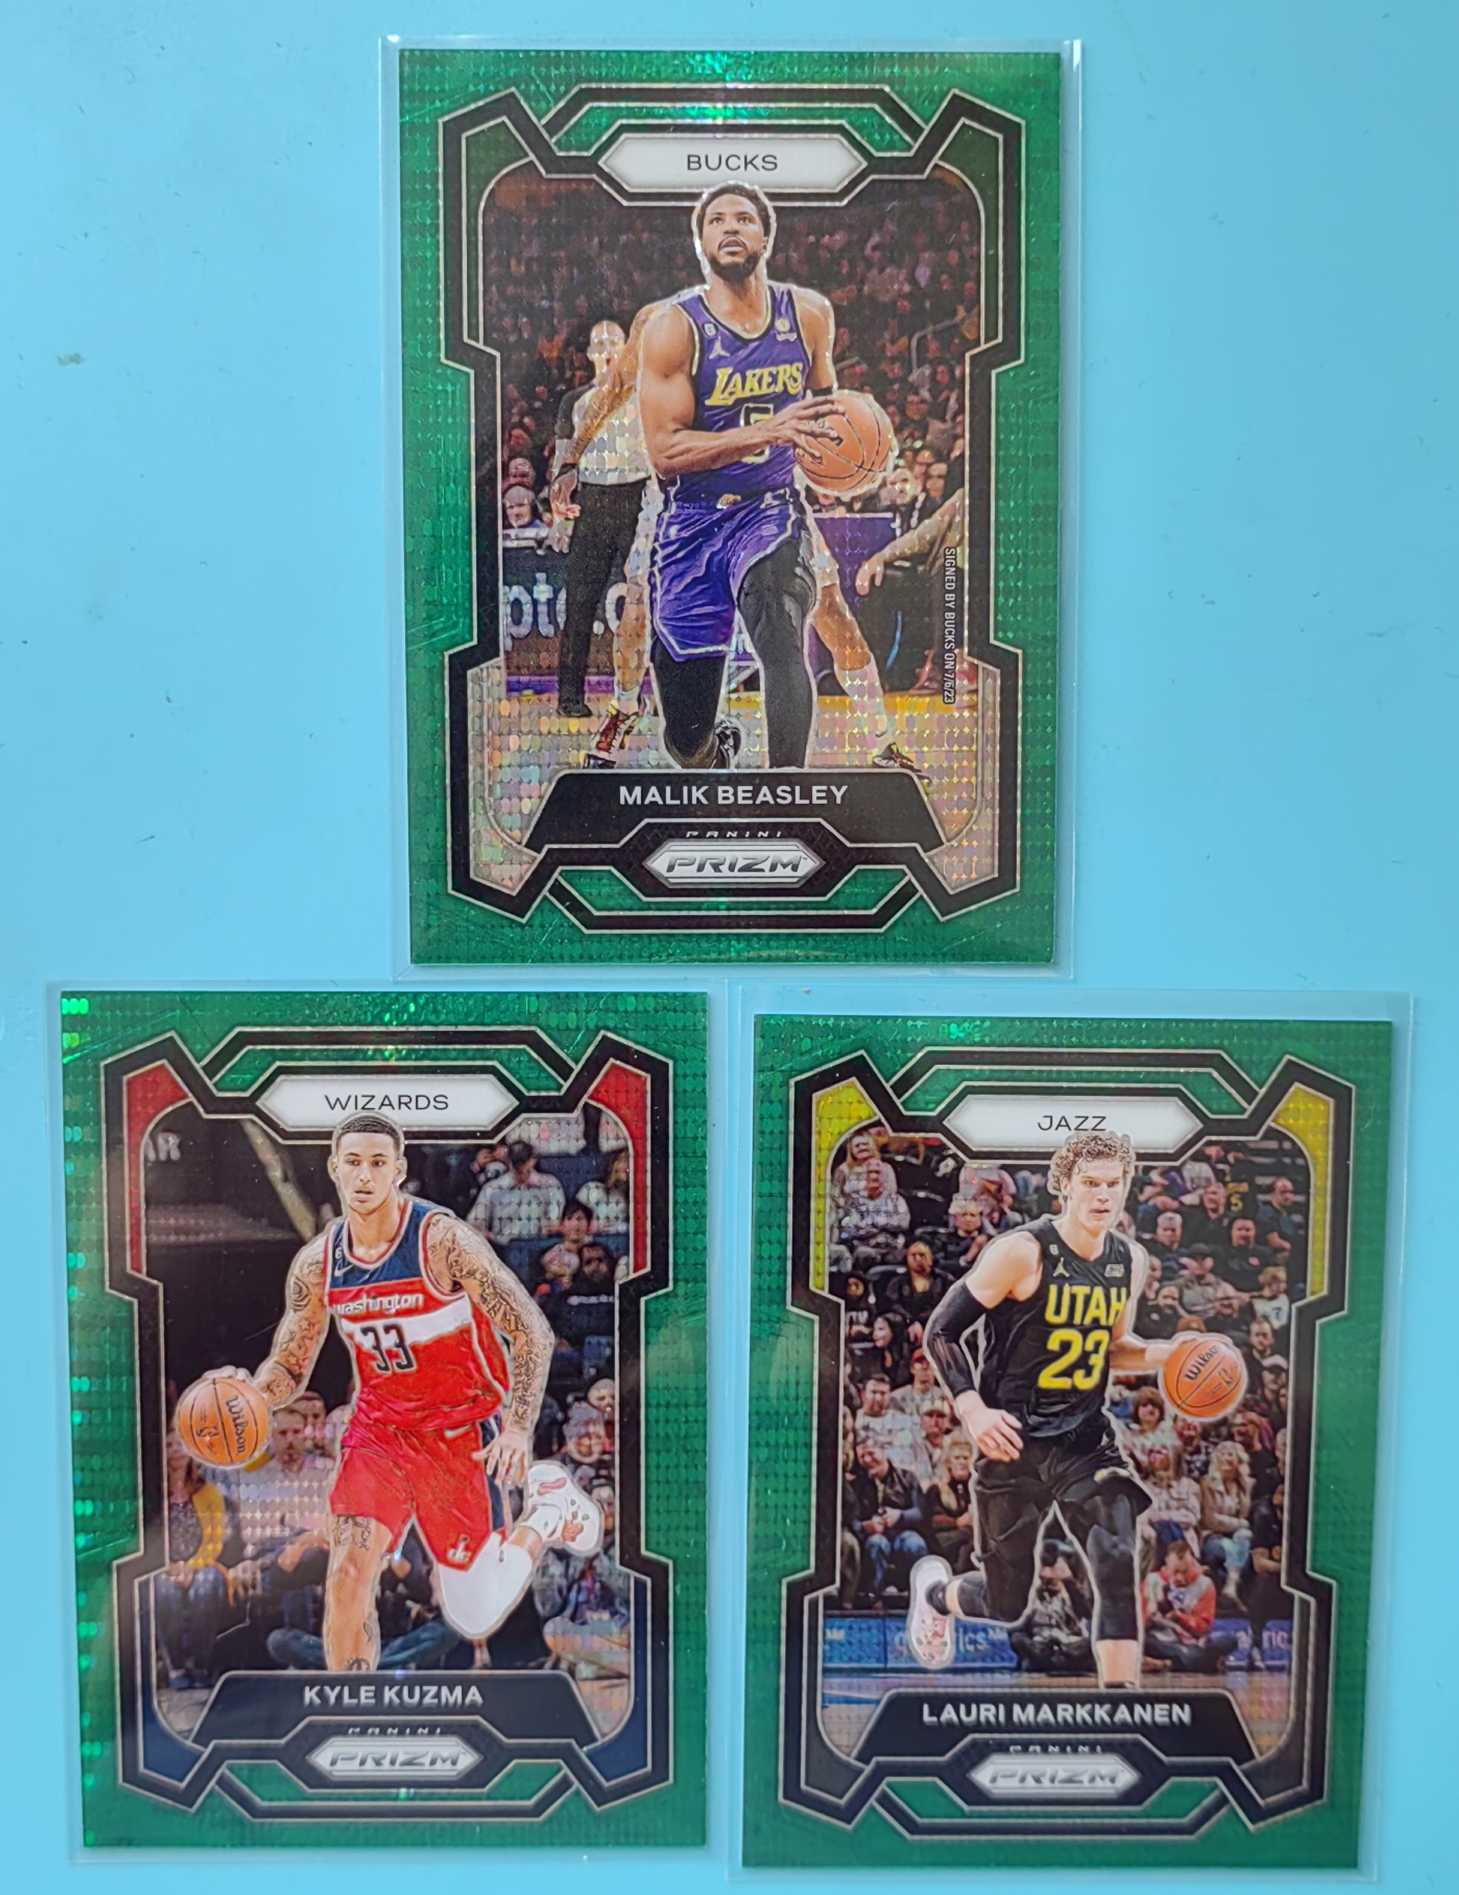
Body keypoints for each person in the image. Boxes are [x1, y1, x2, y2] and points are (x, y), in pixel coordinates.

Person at [205, 1113, 600, 1669]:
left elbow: (531, 1329)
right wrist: (250, 1393)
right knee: (348, 1569)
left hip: (458, 1429)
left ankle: (548, 1514)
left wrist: (516, 1427)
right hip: (381, 1431)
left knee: (475, 1612)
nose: (364, 1175)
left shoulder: (441, 1241)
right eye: (353, 1162)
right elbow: (290, 1368)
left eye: (377, 1163)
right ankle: (354, 1705)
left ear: (398, 1170)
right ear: (334, 1169)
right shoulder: (318, 1263)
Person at [906, 1130, 1176, 1687]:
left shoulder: (1130, 1260)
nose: (1103, 1195)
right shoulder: (1021, 1252)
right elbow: (941, 1332)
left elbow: (1112, 1347)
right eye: (1091, 1183)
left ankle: (1121, 1705)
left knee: (1116, 1560)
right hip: (1014, 1441)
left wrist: (1167, 1354)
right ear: (1064, 1187)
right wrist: (974, 1411)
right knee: (1006, 1602)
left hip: (1084, 1442)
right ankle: (936, 1596)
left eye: (1114, 1184)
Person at [636, 184, 841, 771]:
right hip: (692, 522)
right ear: (700, 244)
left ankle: (788, 794)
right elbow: (666, 451)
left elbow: (825, 411)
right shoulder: (673, 328)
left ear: (766, 237)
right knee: (685, 738)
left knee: (780, 628)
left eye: (745, 218)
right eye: (717, 220)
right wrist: (766, 432)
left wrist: (842, 455)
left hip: (769, 508)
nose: (731, 227)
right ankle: (711, 749)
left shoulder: (809, 315)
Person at [548, 320, 653, 718]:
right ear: (591, 353)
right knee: (580, 603)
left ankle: (648, 694)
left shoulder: (644, 394)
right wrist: (560, 518)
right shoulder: (575, 401)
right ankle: (569, 697)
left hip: (637, 498)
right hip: (592, 502)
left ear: (626, 349)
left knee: (646, 600)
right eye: (600, 343)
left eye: (614, 342)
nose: (607, 349)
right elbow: (564, 460)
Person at [154, 1430, 235, 1689]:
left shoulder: (209, 1492)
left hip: (203, 1564)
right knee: (164, 1590)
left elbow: (215, 1541)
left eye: (181, 1445)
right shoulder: (152, 1495)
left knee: (206, 1585)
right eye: (169, 1445)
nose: (176, 1450)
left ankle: (202, 1664)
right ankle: (176, 1667)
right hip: (164, 1566)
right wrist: (169, 1566)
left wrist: (191, 1567)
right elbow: (149, 1539)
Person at [849, 1439, 928, 1601]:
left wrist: (899, 1516)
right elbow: (850, 1520)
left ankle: (918, 1594)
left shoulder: (907, 1478)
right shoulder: (857, 1485)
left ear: (884, 1451)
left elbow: (920, 1513)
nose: (867, 1460)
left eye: (871, 1453)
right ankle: (873, 1597)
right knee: (876, 1544)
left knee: (915, 1544)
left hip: (903, 1533)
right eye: (862, 1456)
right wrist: (865, 1526)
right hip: (873, 1536)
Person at [1142, 1541, 1237, 1674]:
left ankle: (1166, 1663)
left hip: (1191, 1642)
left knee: (1230, 1640)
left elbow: (1203, 1628)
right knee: (1148, 1643)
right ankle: (1202, 1662)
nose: (1180, 1578)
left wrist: (1180, 1617)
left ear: (1193, 1563)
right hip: (1161, 1640)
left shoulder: (1204, 1584)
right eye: (1175, 1572)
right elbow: (1140, 1624)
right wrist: (1151, 1613)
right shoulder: (1152, 1580)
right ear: (1166, 1564)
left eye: (1185, 1571)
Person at [468, 1139, 567, 1243]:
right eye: (516, 1163)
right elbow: (475, 1223)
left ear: (533, 1160)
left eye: (523, 1162)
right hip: (502, 1246)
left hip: (539, 1245)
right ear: (509, 1161)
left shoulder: (550, 1185)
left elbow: (554, 1223)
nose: (520, 1167)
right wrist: (486, 1235)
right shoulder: (492, 1188)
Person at [921, 1436, 977, 1572]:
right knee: (970, 1535)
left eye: (966, 1458)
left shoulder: (976, 1489)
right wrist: (957, 1522)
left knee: (971, 1544)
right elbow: (933, 1521)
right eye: (957, 1458)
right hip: (942, 1541)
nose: (962, 1462)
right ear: (948, 1463)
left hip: (968, 1542)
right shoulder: (937, 1489)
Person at [580, 1148, 631, 1235]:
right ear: (612, 1163)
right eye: (623, 1160)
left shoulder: (629, 1194)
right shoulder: (591, 1188)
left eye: (630, 1160)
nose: (628, 1165)